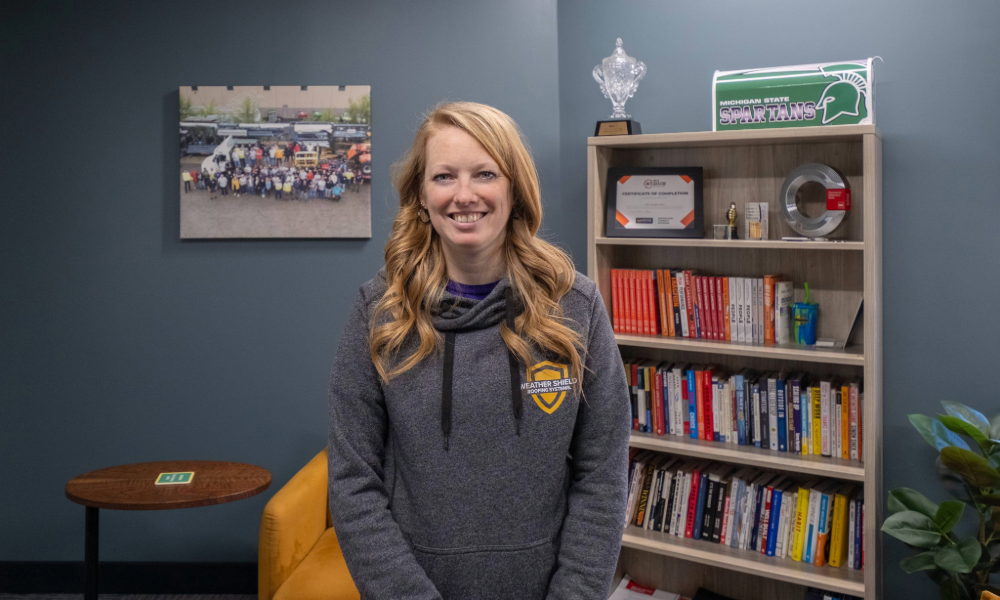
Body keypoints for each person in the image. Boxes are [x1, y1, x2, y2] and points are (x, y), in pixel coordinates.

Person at [327, 102, 630, 600]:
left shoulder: (575, 307)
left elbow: (603, 475)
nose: (464, 195)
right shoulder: (378, 314)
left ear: (515, 189)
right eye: (444, 176)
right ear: (421, 195)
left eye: (485, 173)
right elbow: (352, 483)